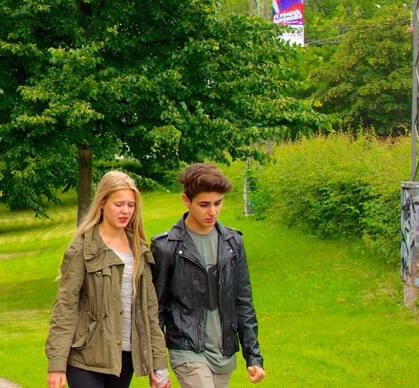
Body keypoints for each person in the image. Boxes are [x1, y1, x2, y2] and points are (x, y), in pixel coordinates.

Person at [46, 171, 170, 388]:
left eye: (131, 205)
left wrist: (157, 366)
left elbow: (149, 312)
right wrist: (56, 364)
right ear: (102, 203)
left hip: (125, 358)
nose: (126, 211)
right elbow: (65, 307)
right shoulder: (82, 249)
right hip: (85, 358)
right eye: (119, 204)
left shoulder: (139, 249)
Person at [151, 164, 265, 388]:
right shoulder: (166, 247)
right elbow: (156, 309)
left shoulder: (233, 242)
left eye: (218, 203)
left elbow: (243, 302)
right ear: (186, 200)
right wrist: (157, 365)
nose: (212, 211)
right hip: (187, 349)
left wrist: (253, 356)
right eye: (204, 205)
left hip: (223, 350)